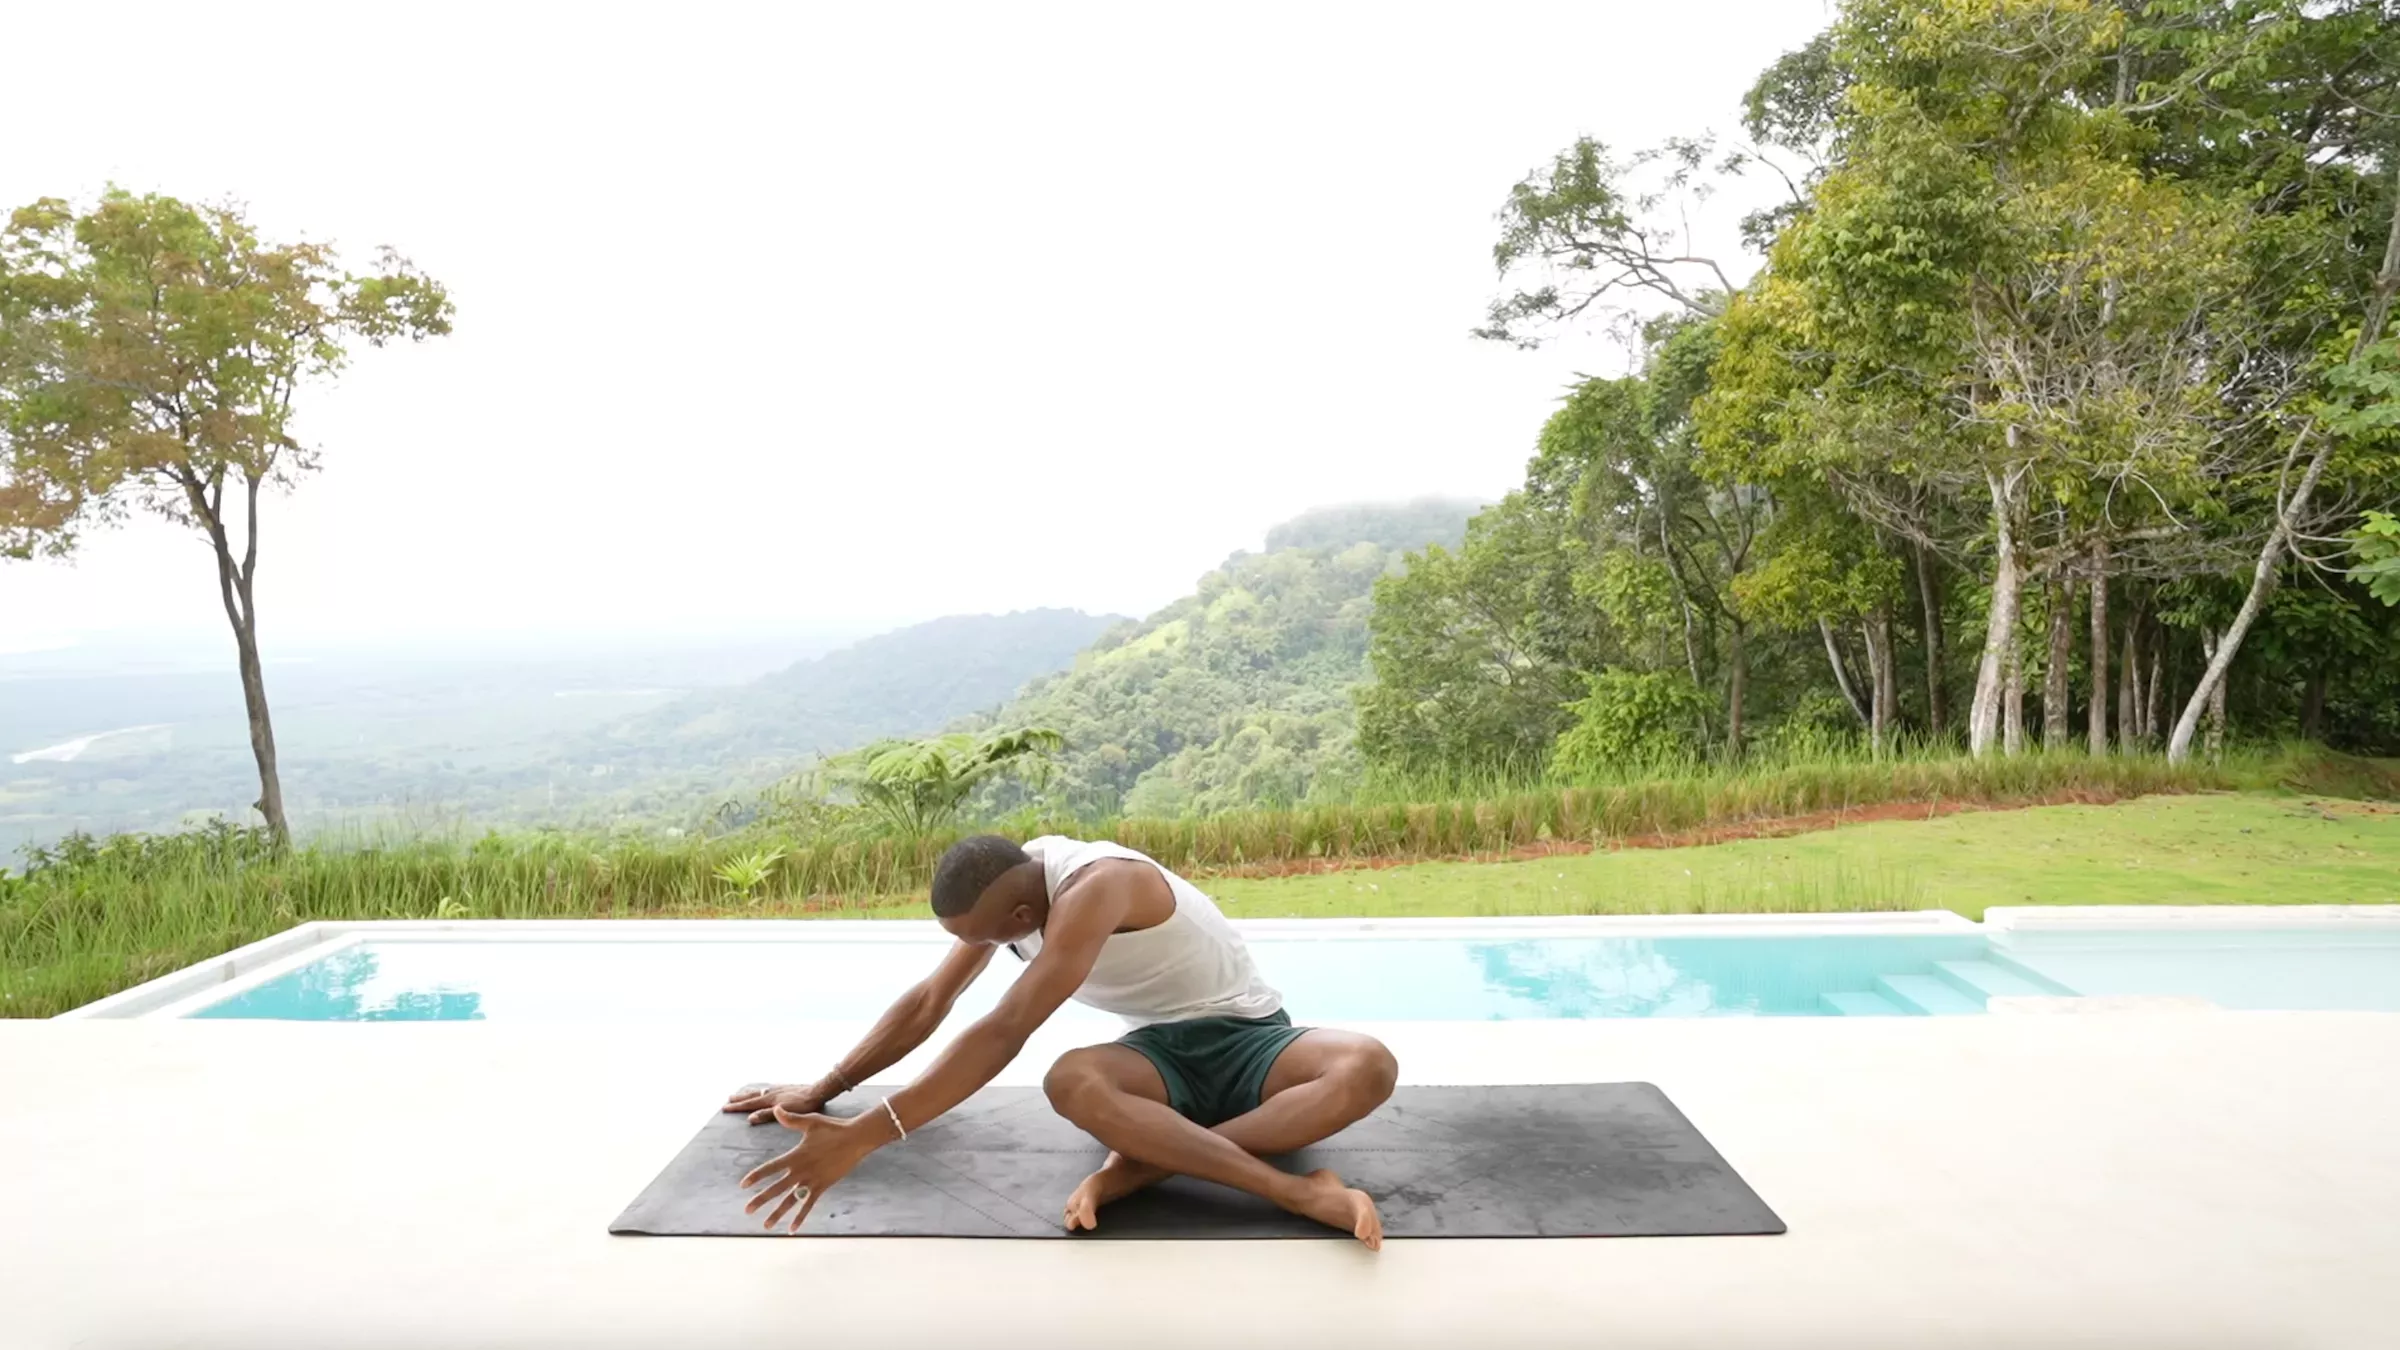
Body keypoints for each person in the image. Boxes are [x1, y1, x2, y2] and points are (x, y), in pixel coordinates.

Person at [724, 833, 1398, 1245]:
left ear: (1019, 917)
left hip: (1254, 1041)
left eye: (981, 939)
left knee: (1366, 1065)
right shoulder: (1013, 886)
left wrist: (867, 1134)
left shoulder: (1100, 885)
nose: (974, 950)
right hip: (1159, 1059)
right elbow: (934, 1000)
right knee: (1071, 1080)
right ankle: (1195, 1159)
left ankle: (1193, 1171)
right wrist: (825, 1091)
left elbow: (1007, 1028)